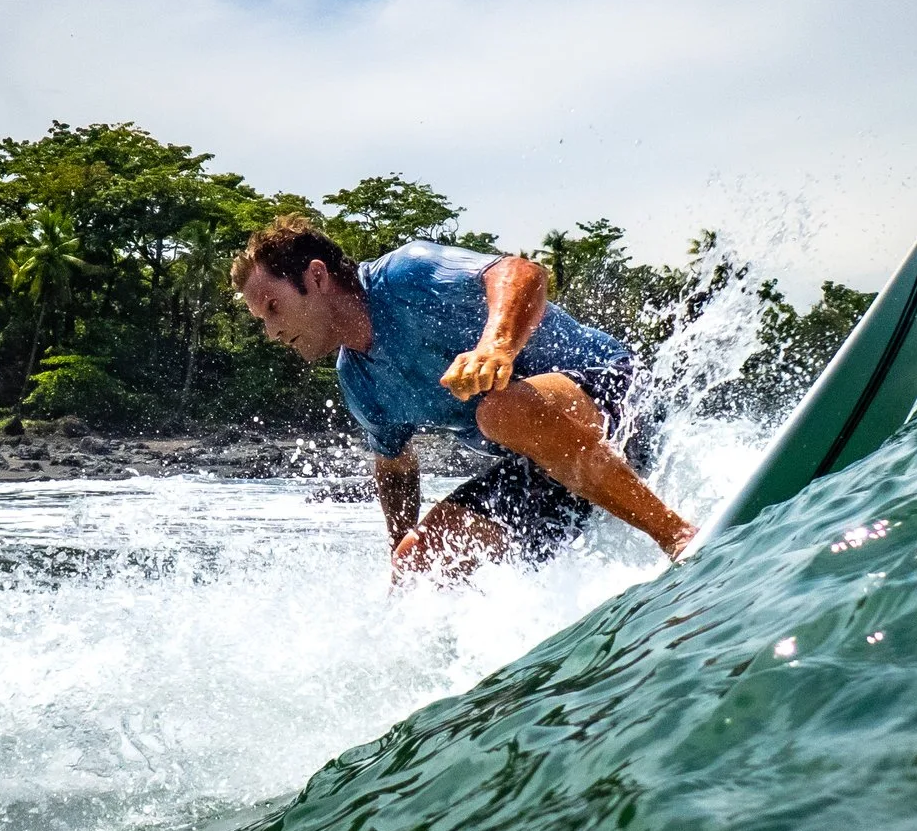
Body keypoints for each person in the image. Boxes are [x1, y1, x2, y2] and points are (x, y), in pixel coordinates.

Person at [231, 213, 696, 582]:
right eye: (261, 319)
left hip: (618, 399)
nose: (271, 331)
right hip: (548, 466)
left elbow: (522, 272)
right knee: (421, 561)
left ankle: (678, 537)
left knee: (500, 410)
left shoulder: (404, 277)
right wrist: (400, 548)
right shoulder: (359, 379)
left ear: (315, 277)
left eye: (273, 307)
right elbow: (394, 465)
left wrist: (496, 347)